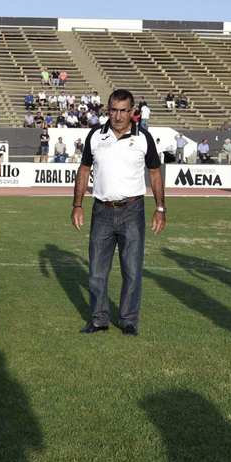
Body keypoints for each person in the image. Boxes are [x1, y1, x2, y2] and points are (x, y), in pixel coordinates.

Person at [71, 90, 166, 336]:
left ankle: (128, 321)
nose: (119, 115)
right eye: (114, 109)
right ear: (108, 110)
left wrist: (160, 208)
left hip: (133, 211)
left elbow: (155, 173)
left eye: (124, 110)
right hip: (101, 210)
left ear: (133, 112)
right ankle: (99, 319)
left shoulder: (144, 137)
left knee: (132, 270)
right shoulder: (95, 135)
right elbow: (84, 171)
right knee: (96, 272)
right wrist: (77, 205)